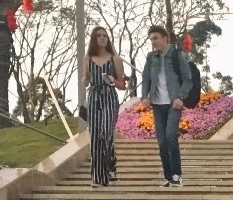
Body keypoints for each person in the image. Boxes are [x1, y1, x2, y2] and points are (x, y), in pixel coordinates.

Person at [139, 25, 195, 188]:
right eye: (151, 39)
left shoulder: (177, 56)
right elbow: (146, 77)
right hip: (157, 104)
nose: (153, 42)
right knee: (162, 141)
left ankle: (177, 175)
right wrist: (144, 96)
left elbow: (187, 79)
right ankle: (168, 176)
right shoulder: (151, 57)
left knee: (171, 135)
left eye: (155, 38)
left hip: (173, 103)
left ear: (165, 38)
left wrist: (181, 97)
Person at [81, 26, 127, 188]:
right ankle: (98, 177)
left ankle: (111, 163)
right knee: (95, 136)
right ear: (94, 39)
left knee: (105, 132)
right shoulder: (87, 59)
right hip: (93, 97)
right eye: (99, 36)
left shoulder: (115, 59)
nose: (102, 38)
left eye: (105, 36)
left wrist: (113, 81)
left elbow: (122, 84)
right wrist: (85, 81)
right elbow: (86, 79)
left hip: (109, 96)